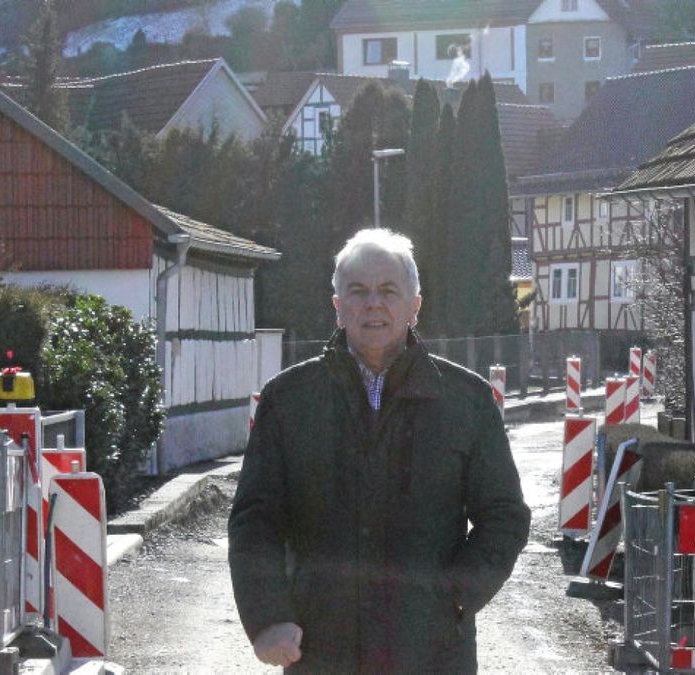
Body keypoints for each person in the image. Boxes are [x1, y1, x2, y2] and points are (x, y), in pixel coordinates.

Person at [228, 228, 531, 673]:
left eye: (389, 290)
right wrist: (268, 617)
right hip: (320, 650)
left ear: (415, 306)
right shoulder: (288, 400)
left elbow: (504, 515)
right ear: (337, 307)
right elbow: (256, 521)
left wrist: (454, 598)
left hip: (431, 654)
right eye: (358, 291)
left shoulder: (466, 400)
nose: (374, 303)